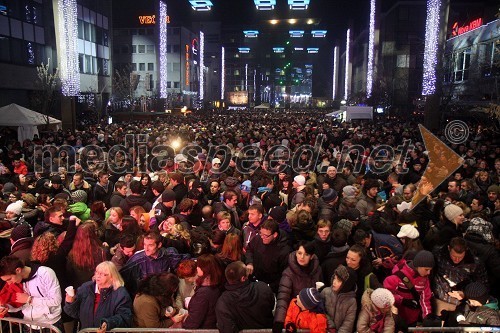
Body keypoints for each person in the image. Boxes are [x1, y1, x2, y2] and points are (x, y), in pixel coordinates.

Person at [64, 261, 132, 330]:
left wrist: (108, 323)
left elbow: (125, 318)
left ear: (112, 277)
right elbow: (75, 313)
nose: (98, 276)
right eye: (97, 272)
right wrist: (70, 302)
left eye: (103, 274)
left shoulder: (120, 293)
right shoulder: (86, 288)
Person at [0, 255, 62, 329]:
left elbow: (57, 300)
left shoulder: (45, 273)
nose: (9, 283)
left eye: (9, 279)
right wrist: (7, 308)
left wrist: (30, 299)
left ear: (18, 270)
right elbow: (19, 305)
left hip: (50, 324)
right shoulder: (16, 281)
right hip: (28, 325)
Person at [432, 237, 489, 316]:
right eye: (454, 256)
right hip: (440, 300)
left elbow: (482, 285)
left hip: (463, 304)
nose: (457, 260)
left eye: (460, 257)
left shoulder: (475, 264)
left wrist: (465, 294)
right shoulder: (438, 256)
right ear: (449, 248)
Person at [120, 231, 189, 296]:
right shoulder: (137, 259)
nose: (146, 248)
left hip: (166, 294)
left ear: (159, 245)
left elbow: (186, 260)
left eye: (150, 245)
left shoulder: (169, 254)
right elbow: (121, 277)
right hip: (147, 297)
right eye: (144, 244)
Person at [274, 241, 322, 331]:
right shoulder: (289, 273)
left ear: (311, 257)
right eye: (299, 253)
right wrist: (279, 321)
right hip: (295, 316)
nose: (302, 257)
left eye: (306, 254)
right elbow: (283, 298)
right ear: (296, 253)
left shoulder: (317, 270)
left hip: (312, 316)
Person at [215, 261, 275, 333]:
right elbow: (272, 305)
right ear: (243, 278)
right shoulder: (263, 287)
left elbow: (227, 328)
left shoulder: (222, 301)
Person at [383, 250, 434, 326]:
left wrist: (427, 317)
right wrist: (402, 300)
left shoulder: (425, 279)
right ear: (418, 265)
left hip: (413, 319)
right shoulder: (398, 275)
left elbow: (425, 300)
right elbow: (385, 295)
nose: (428, 273)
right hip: (395, 319)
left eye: (430, 270)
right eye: (426, 269)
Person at [245, 219, 291, 294]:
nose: (262, 237)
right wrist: (250, 262)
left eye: (265, 235)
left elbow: (284, 274)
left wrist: (270, 286)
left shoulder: (284, 251)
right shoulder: (258, 238)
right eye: (261, 233)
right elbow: (249, 249)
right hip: (255, 279)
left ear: (275, 235)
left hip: (270, 287)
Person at [182, 254, 223, 329]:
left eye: (198, 265)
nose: (196, 268)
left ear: (204, 269)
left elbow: (193, 321)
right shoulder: (217, 284)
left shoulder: (203, 294)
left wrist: (183, 325)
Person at [321, 264, 358, 333]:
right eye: (334, 278)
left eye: (338, 281)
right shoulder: (326, 292)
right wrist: (330, 326)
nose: (334, 282)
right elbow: (320, 310)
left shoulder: (351, 301)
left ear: (346, 284)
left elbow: (348, 323)